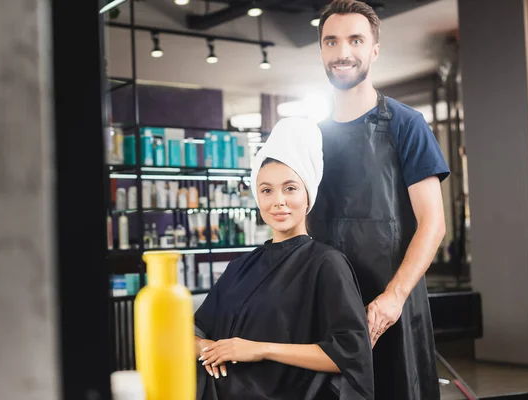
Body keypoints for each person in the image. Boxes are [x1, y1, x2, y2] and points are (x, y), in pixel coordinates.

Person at [308, 1, 451, 399]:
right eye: (331, 41)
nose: (343, 52)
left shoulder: (407, 125)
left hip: (393, 310)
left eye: (356, 39)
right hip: (330, 307)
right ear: (321, 50)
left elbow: (433, 224)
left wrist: (394, 297)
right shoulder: (309, 137)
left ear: (374, 49)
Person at [193, 117, 374, 400]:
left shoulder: (326, 264)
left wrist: (259, 348)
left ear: (307, 196)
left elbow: (350, 354)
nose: (278, 200)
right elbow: (191, 334)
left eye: (290, 188)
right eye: (266, 190)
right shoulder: (239, 268)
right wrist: (209, 349)